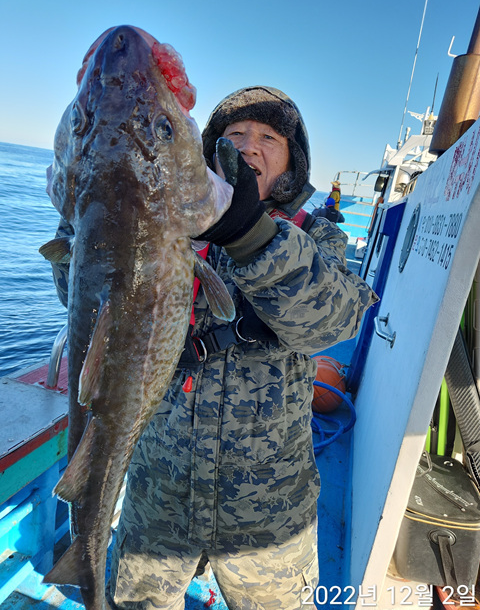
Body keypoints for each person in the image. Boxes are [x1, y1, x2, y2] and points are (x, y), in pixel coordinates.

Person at [51, 86, 377, 609]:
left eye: (268, 137)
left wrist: (249, 232)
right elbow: (82, 300)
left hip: (269, 512)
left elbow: (331, 321)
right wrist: (84, 218)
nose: (248, 145)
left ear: (291, 164)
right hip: (158, 495)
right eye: (235, 134)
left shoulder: (316, 237)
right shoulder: (161, 223)